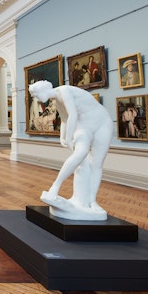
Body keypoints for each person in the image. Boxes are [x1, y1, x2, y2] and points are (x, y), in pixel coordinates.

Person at [28, 80, 113, 220]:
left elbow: (72, 115)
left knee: (96, 164)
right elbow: (65, 120)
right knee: (80, 154)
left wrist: (68, 137)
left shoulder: (64, 91)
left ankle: (91, 201)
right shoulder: (57, 100)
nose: (36, 99)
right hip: (83, 126)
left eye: (36, 95)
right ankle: (55, 186)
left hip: (102, 123)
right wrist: (62, 136)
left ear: (43, 90)